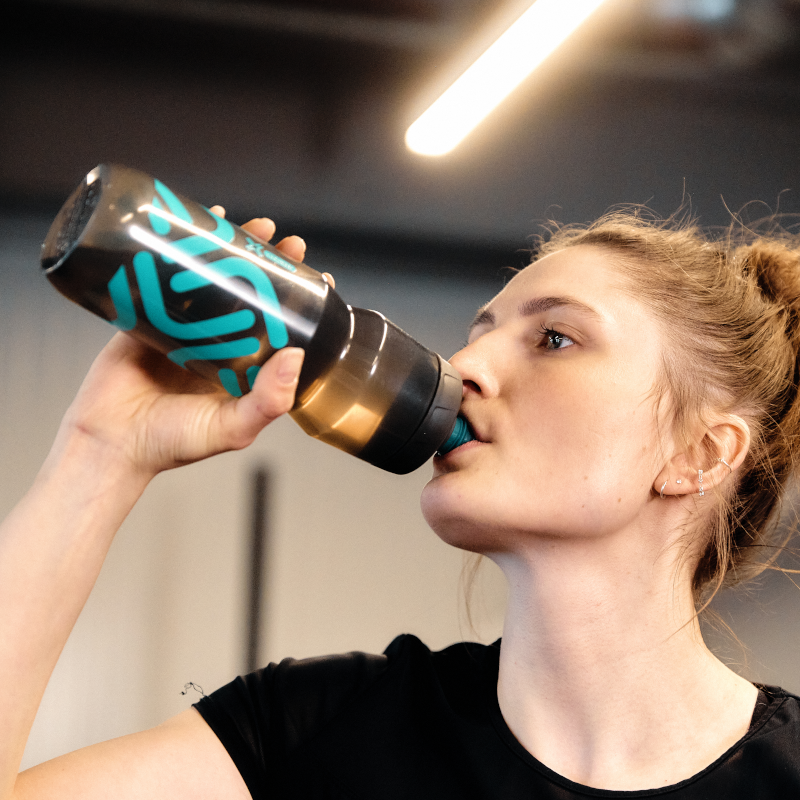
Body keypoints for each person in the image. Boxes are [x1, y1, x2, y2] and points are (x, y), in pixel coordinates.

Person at [2, 207, 800, 800]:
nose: (464, 364)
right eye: (478, 332)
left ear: (700, 454)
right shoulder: (315, 730)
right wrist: (99, 453)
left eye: (554, 338)